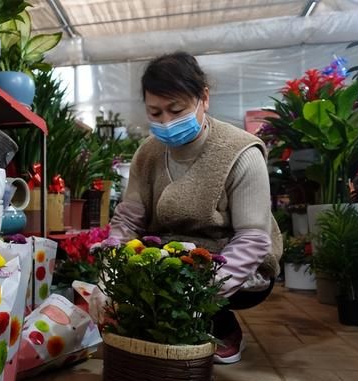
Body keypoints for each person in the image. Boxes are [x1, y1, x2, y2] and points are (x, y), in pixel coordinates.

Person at [110, 52, 282, 364]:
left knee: (188, 279)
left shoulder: (240, 151)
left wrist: (201, 298)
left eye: (176, 110)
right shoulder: (147, 154)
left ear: (203, 97)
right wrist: (110, 275)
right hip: (170, 259)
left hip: (226, 259)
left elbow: (253, 239)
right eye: (155, 112)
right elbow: (128, 220)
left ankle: (220, 324)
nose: (166, 122)